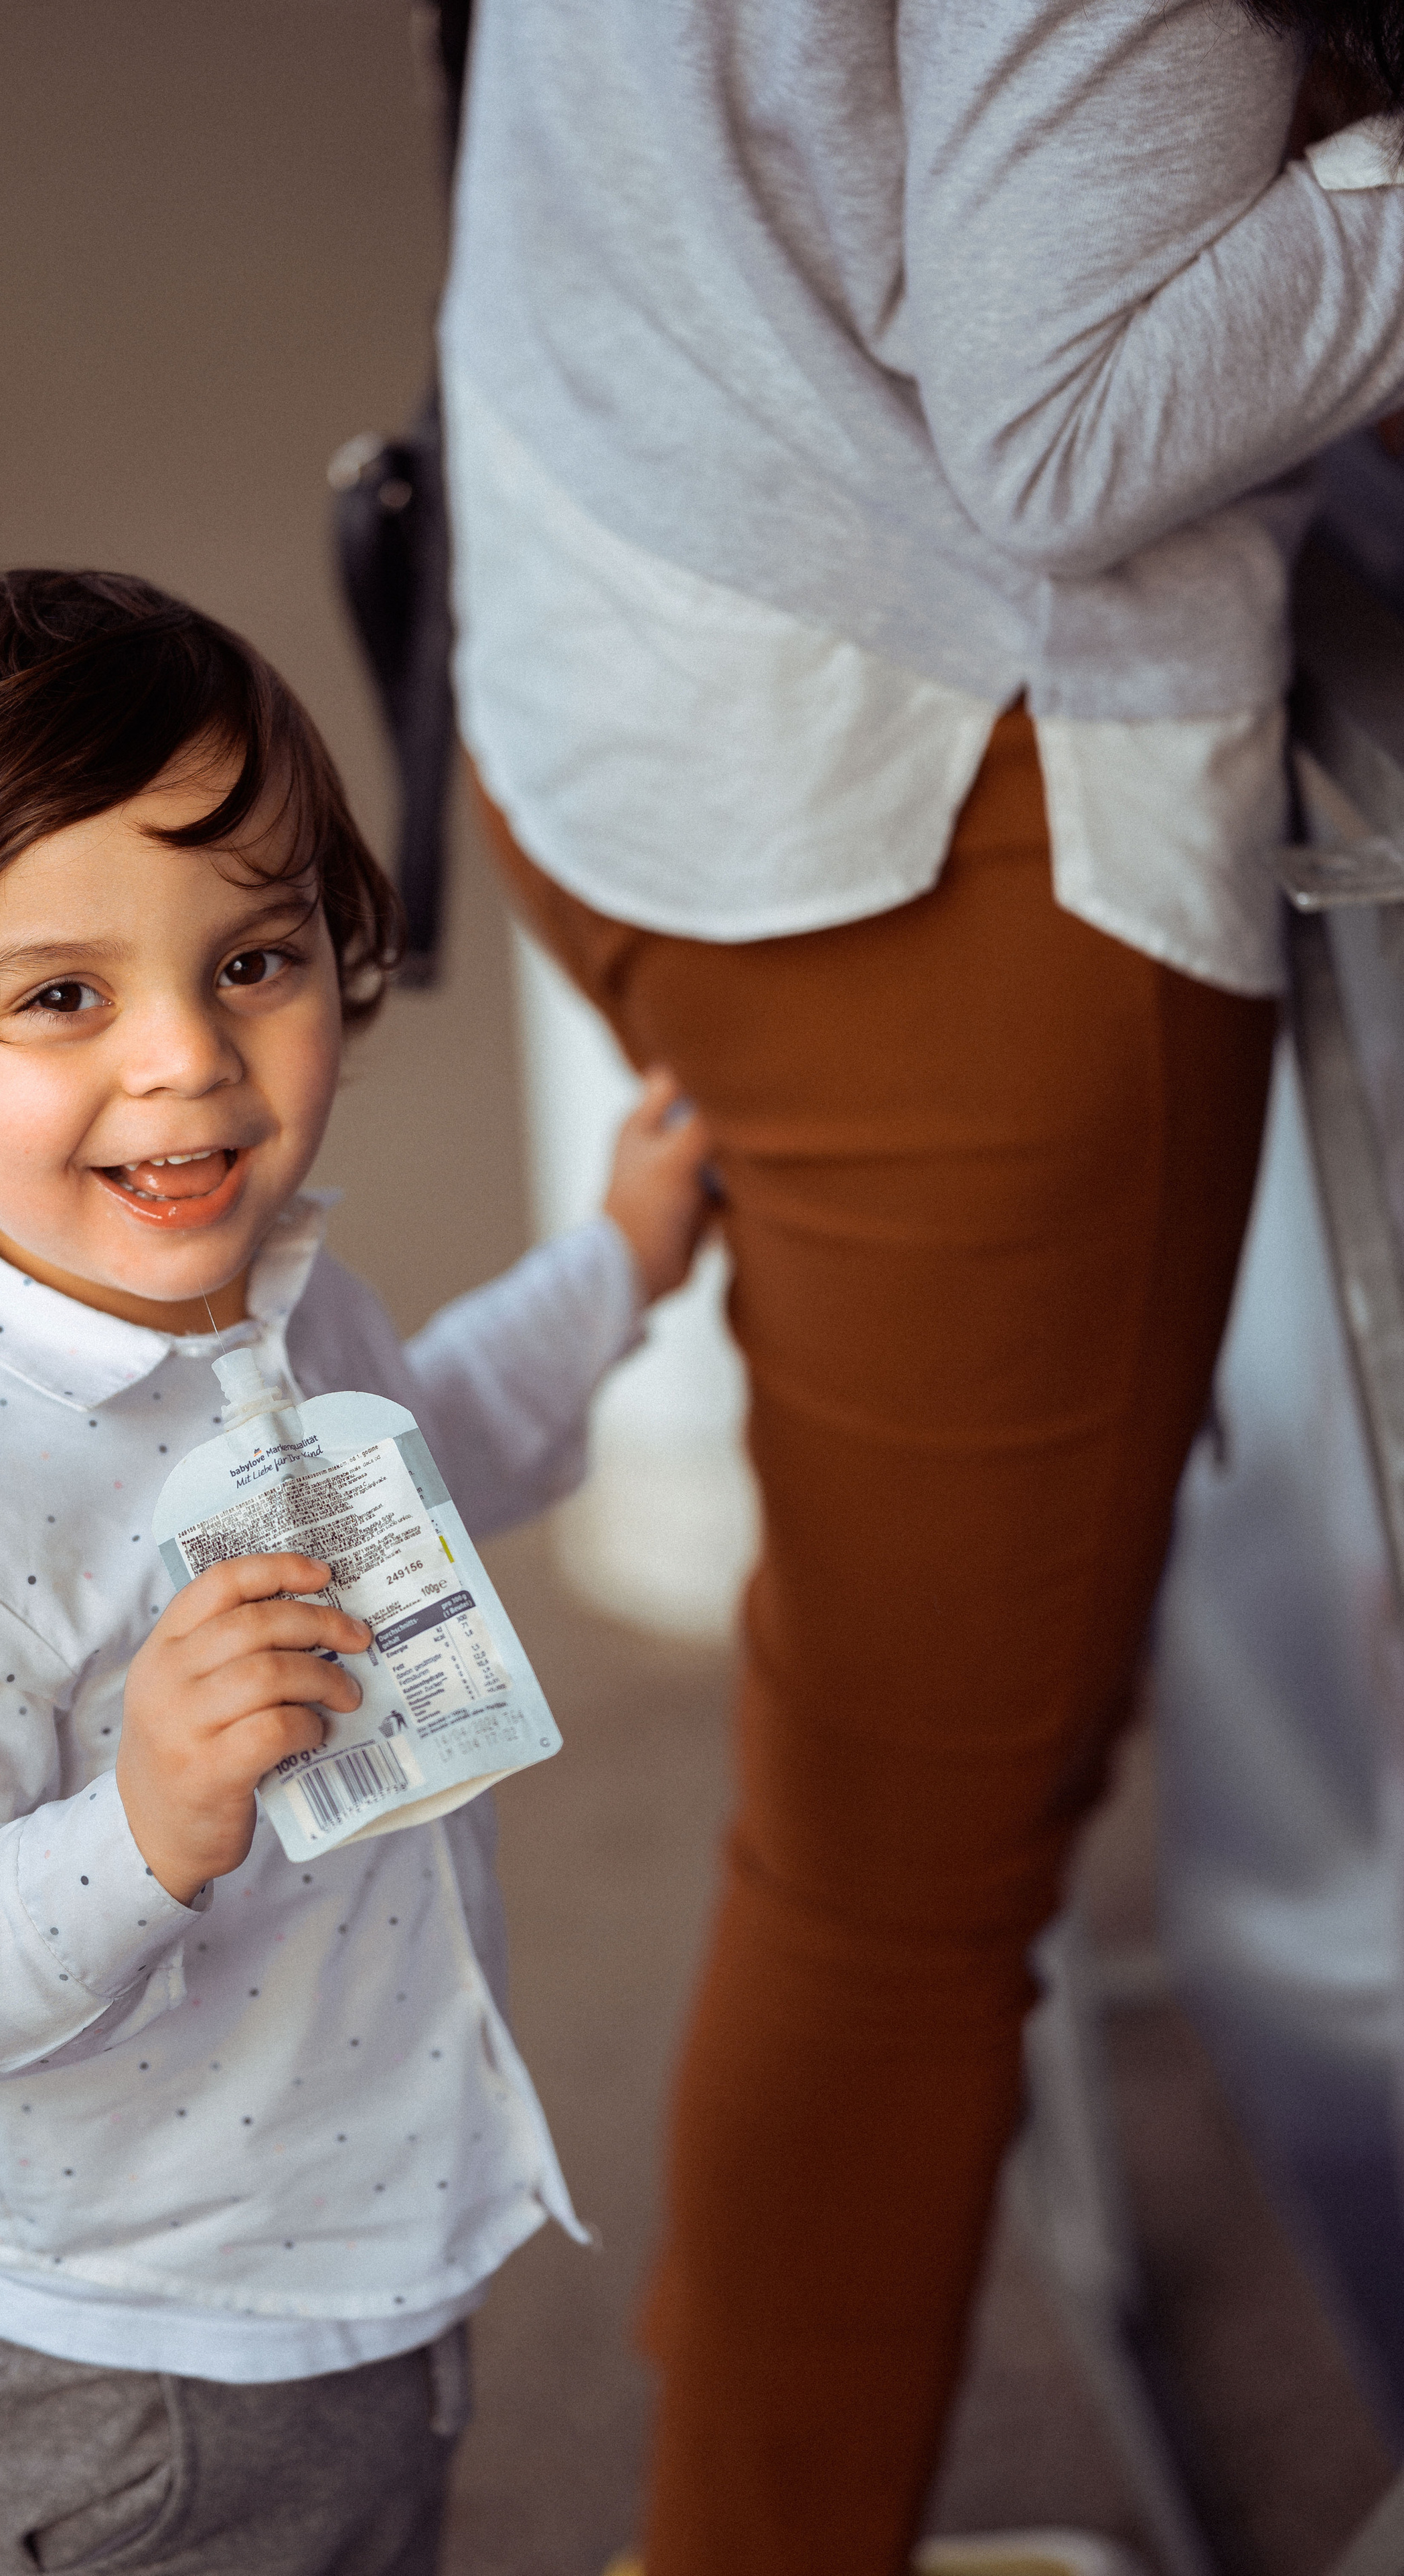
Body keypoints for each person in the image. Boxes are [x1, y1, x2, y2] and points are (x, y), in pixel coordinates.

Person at [437, 3, 1404, 2571]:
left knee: (875, 1762)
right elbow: (1066, 421)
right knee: (901, 1860)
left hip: (629, 584)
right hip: (913, 814)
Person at [0, 568, 712, 2576]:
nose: (189, 1060)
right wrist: (145, 1819)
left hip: (350, 2253)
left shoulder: (273, 1296)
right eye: (67, 996)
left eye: (254, 961)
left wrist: (616, 1267)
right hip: (121, 2376)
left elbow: (424, 1445)